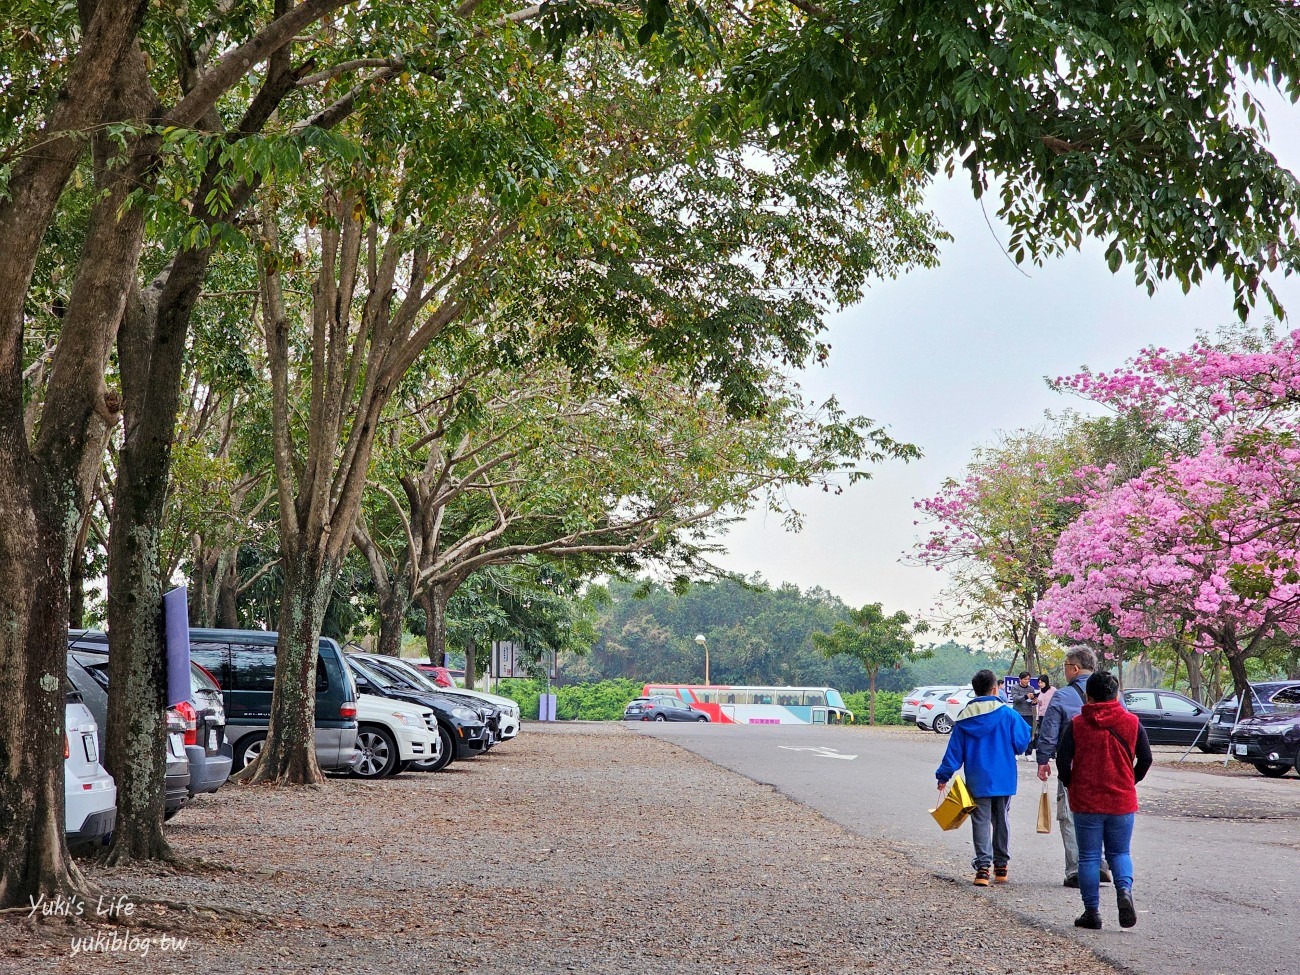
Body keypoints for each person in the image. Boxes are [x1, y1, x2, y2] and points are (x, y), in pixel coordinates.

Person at [1056, 671, 1152, 930]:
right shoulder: (1132, 722)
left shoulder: (1077, 724)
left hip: (1086, 800)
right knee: (1120, 852)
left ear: (1089, 695)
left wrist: (1070, 783)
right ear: (1116, 694)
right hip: (1121, 800)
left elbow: (1062, 761)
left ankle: (1092, 912)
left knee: (1088, 857)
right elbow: (1146, 759)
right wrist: (1130, 781)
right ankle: (1124, 891)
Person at [935, 669, 1033, 887]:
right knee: (1001, 821)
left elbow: (954, 753)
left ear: (975, 690)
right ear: (994, 688)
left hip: (978, 778)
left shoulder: (964, 718)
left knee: (980, 821)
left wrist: (943, 775)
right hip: (1005, 778)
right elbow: (1020, 744)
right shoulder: (1008, 714)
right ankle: (1001, 868)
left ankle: (982, 869)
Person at [1035, 647, 1111, 888]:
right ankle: (1098, 863)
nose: (1064, 670)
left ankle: (1076, 869)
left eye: (1066, 665)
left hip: (1073, 764)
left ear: (1075, 669)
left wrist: (1043, 760)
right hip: (1107, 764)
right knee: (1099, 813)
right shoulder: (1112, 692)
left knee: (1069, 815)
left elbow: (1049, 731)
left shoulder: (1062, 696)